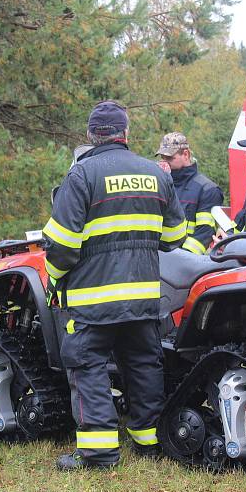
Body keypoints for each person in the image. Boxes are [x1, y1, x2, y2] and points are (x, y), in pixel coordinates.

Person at [43, 101, 187, 470]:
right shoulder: (156, 174)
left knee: (87, 366)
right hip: (141, 296)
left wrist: (54, 279)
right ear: (125, 134)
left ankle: (99, 452)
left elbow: (60, 245)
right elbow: (175, 236)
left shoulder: (82, 175)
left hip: (92, 300)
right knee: (143, 364)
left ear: (91, 135)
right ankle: (149, 440)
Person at [155, 132, 223, 255]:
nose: (165, 162)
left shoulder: (207, 190)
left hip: (188, 264)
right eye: (163, 157)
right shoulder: (160, 185)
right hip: (159, 261)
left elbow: (205, 232)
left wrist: (183, 257)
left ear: (186, 154)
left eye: (169, 158)